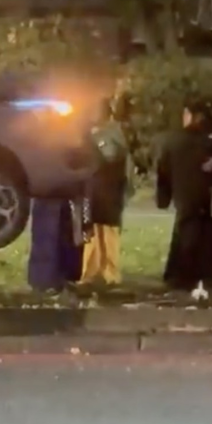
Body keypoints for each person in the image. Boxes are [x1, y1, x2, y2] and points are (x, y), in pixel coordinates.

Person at [157, 98, 212, 295]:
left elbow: (164, 169)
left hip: (194, 198)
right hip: (201, 198)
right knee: (199, 234)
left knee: (192, 234)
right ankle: (203, 275)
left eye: (186, 114)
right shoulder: (210, 138)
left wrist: (164, 196)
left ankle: (185, 276)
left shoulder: (209, 138)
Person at [81, 96, 133, 285]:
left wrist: (97, 138)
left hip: (110, 189)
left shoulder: (111, 132)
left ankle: (111, 275)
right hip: (96, 188)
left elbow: (111, 155)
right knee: (92, 231)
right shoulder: (94, 132)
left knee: (108, 232)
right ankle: (90, 273)